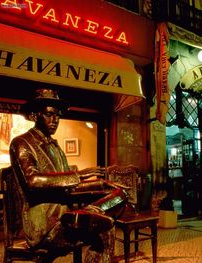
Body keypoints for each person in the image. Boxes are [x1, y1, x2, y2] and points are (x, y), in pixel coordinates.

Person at [9, 89, 128, 262]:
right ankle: (83, 215)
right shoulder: (21, 143)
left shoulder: (56, 149)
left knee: (120, 195)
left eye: (57, 116)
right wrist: (78, 175)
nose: (55, 120)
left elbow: (71, 188)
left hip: (66, 219)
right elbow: (32, 181)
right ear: (35, 115)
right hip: (44, 227)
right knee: (104, 228)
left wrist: (103, 185)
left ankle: (84, 213)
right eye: (49, 114)